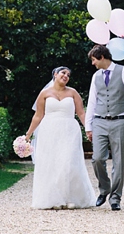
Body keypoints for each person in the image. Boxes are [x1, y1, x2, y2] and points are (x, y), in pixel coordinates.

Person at [24, 66, 96, 209]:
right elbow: (38, 115)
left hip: (69, 130)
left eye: (68, 75)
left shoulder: (73, 92)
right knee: (51, 164)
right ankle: (54, 199)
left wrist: (89, 130)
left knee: (69, 163)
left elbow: (81, 113)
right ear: (55, 74)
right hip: (49, 131)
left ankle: (70, 198)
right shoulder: (44, 93)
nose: (66, 76)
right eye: (63, 73)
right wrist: (28, 134)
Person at [84, 44, 124, 211]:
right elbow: (92, 102)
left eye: (94, 60)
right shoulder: (96, 76)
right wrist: (89, 127)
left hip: (120, 121)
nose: (93, 63)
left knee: (118, 162)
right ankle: (104, 188)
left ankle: (115, 198)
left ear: (102, 57)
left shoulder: (123, 71)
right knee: (97, 158)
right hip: (100, 121)